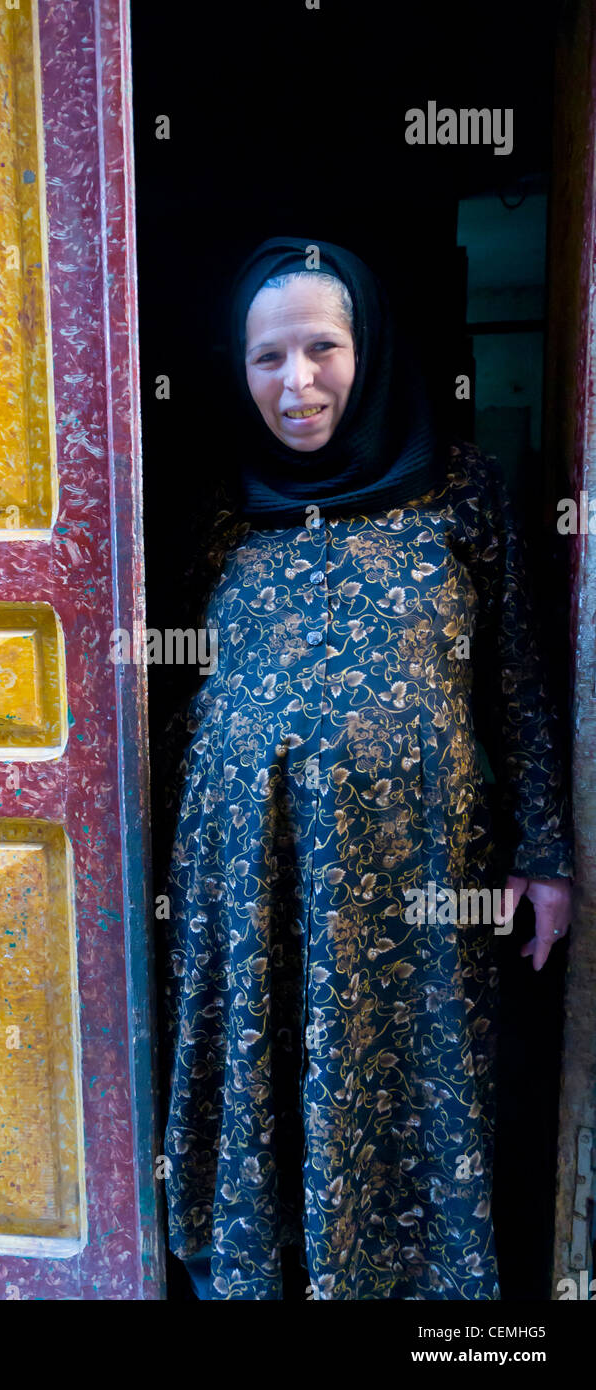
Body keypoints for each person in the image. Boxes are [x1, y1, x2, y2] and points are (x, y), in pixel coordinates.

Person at [159, 236, 574, 1301]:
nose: (294, 383)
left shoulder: (458, 487)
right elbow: (171, 699)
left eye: (320, 348)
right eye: (266, 358)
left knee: (398, 1077)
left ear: (368, 347)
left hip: (411, 882)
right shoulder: (215, 504)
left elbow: (518, 679)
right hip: (250, 876)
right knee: (264, 1073)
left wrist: (544, 856)